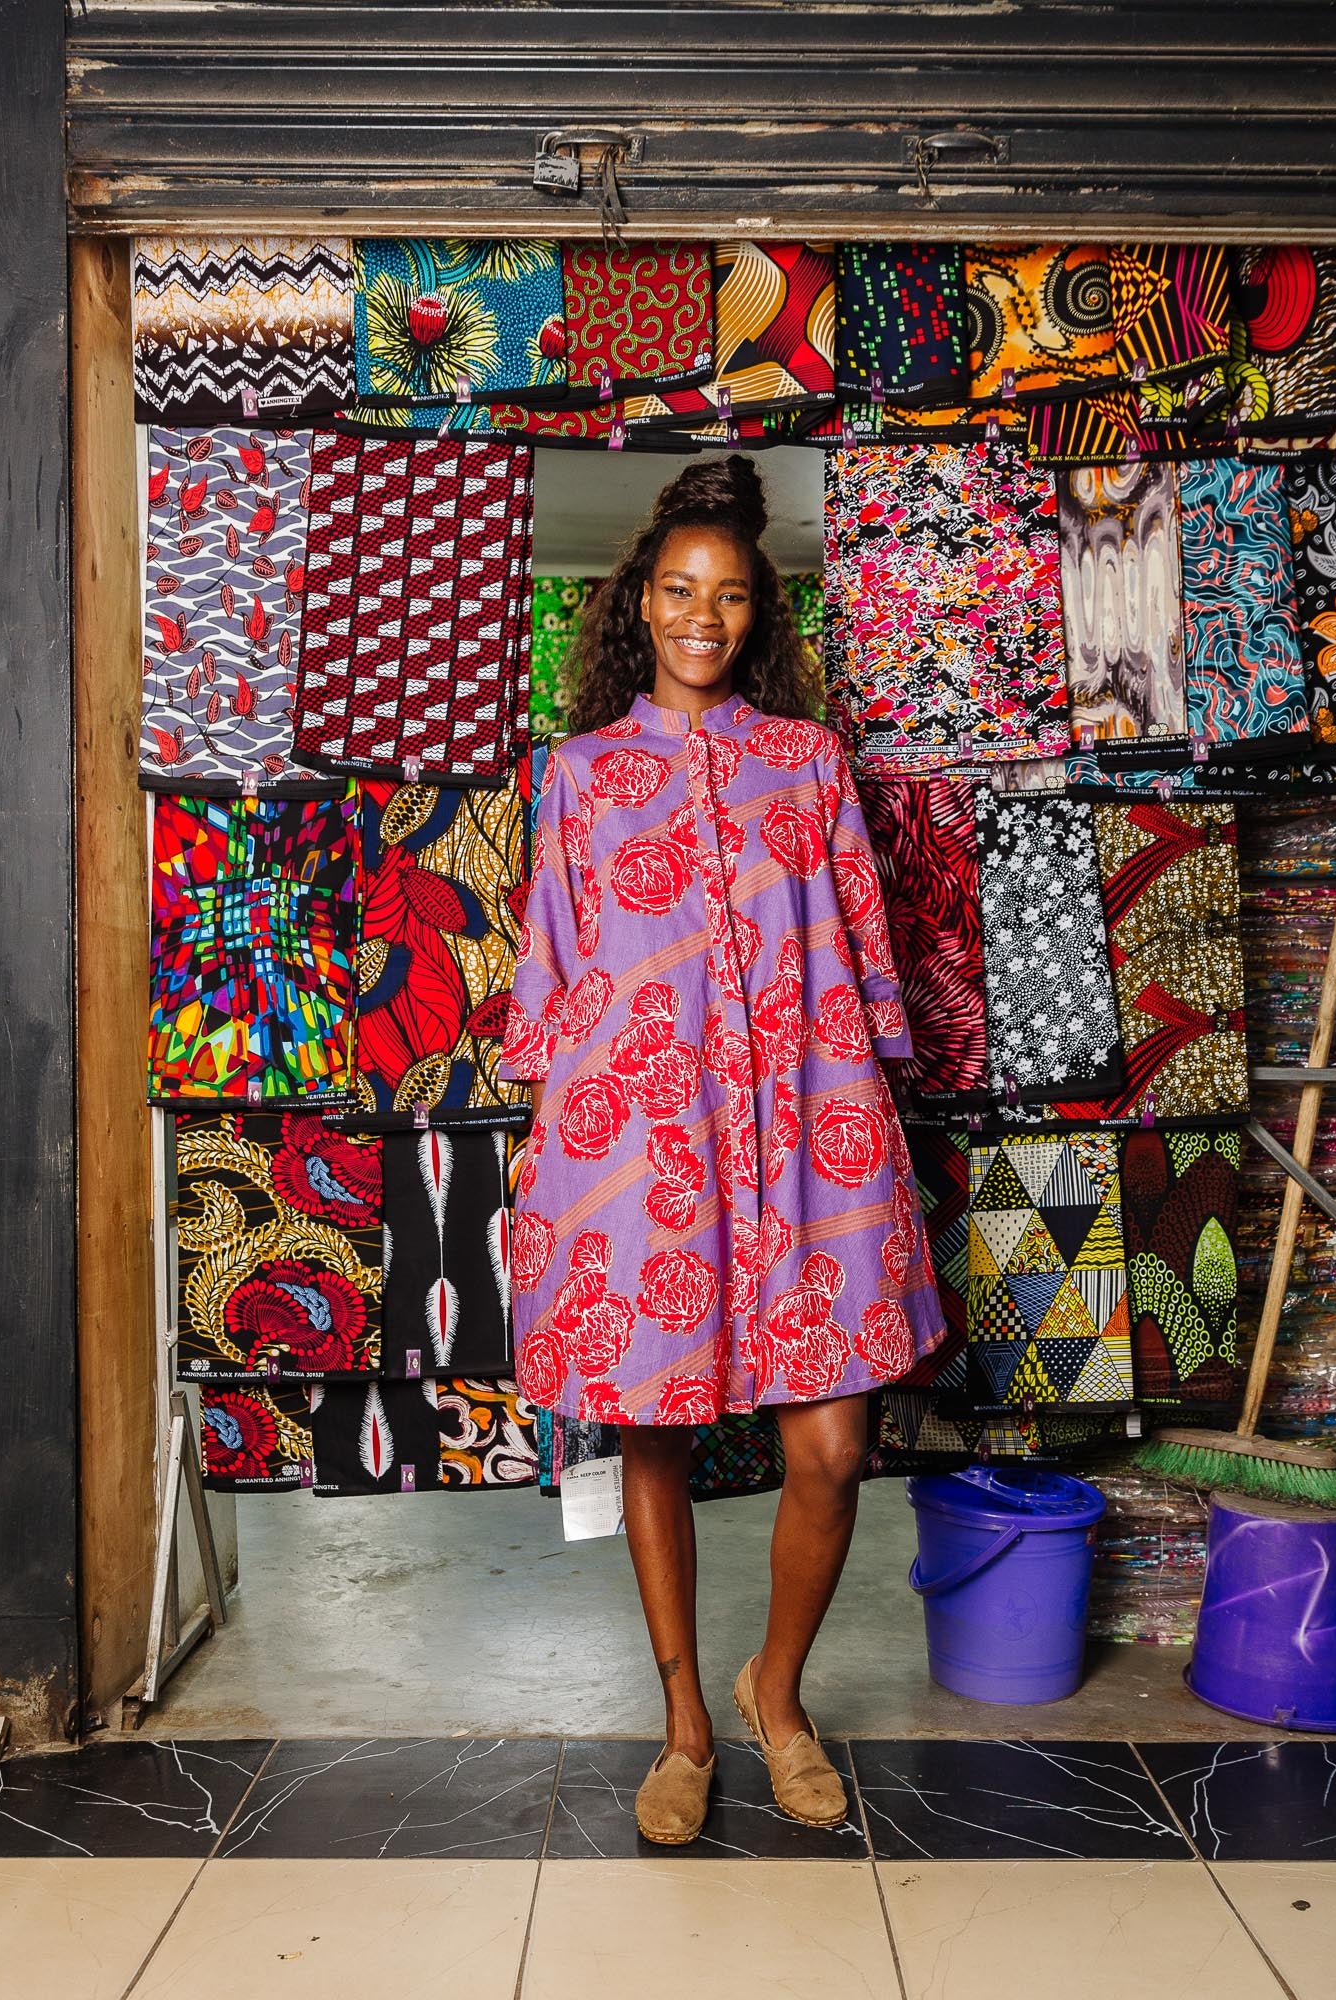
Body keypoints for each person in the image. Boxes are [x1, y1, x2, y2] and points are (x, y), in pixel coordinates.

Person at [501, 456, 946, 1844]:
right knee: (650, 1440)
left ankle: (778, 1692)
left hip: (813, 1135)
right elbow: (556, 972)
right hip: (641, 1145)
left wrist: (868, 1096)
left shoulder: (806, 763)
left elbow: (865, 944)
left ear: (760, 613)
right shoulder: (578, 776)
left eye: (731, 597)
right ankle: (685, 1723)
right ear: (642, 600)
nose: (704, 616)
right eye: (681, 591)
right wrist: (541, 1148)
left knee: (830, 1446)